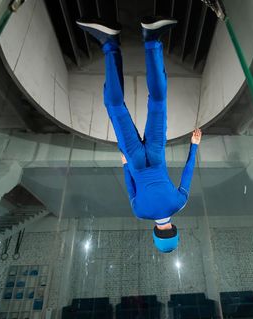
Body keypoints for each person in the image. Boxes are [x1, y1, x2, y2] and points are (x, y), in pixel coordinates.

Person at [77, 16, 202, 253]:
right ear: (155, 232)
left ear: (174, 228)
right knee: (115, 108)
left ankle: (152, 40)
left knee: (158, 102)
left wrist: (194, 145)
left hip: (156, 154)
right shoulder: (139, 213)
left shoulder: (179, 204)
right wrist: (125, 164)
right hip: (134, 159)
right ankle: (110, 44)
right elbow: (130, 185)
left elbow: (188, 171)